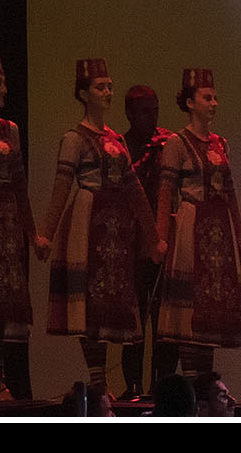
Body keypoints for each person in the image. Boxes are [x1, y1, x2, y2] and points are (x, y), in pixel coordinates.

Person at [41, 58, 165, 399]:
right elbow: (61, 187)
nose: (108, 92)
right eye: (100, 87)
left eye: (110, 86)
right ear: (83, 94)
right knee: (89, 301)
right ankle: (98, 381)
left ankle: (109, 383)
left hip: (116, 227)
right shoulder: (74, 138)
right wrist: (47, 233)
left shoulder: (115, 140)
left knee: (111, 298)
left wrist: (153, 237)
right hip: (87, 220)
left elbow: (135, 190)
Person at [156, 68, 241, 377]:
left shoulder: (220, 144)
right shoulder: (176, 143)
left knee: (213, 303)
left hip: (219, 228)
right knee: (190, 305)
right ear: (190, 102)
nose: (214, 103)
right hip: (191, 224)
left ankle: (203, 382)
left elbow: (230, 191)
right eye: (207, 98)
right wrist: (161, 236)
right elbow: (166, 192)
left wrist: (238, 233)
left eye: (215, 98)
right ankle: (193, 380)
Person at [121, 84, 175, 398]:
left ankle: (162, 386)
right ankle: (132, 387)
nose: (152, 117)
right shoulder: (121, 145)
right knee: (135, 318)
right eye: (144, 112)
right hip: (131, 243)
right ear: (129, 113)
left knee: (165, 320)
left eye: (155, 111)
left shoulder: (168, 142)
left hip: (165, 241)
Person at [0, 54, 37, 402]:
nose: (4, 89)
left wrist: (31, 233)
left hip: (5, 221)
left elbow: (20, 186)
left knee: (4, 299)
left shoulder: (9, 129)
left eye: (4, 82)